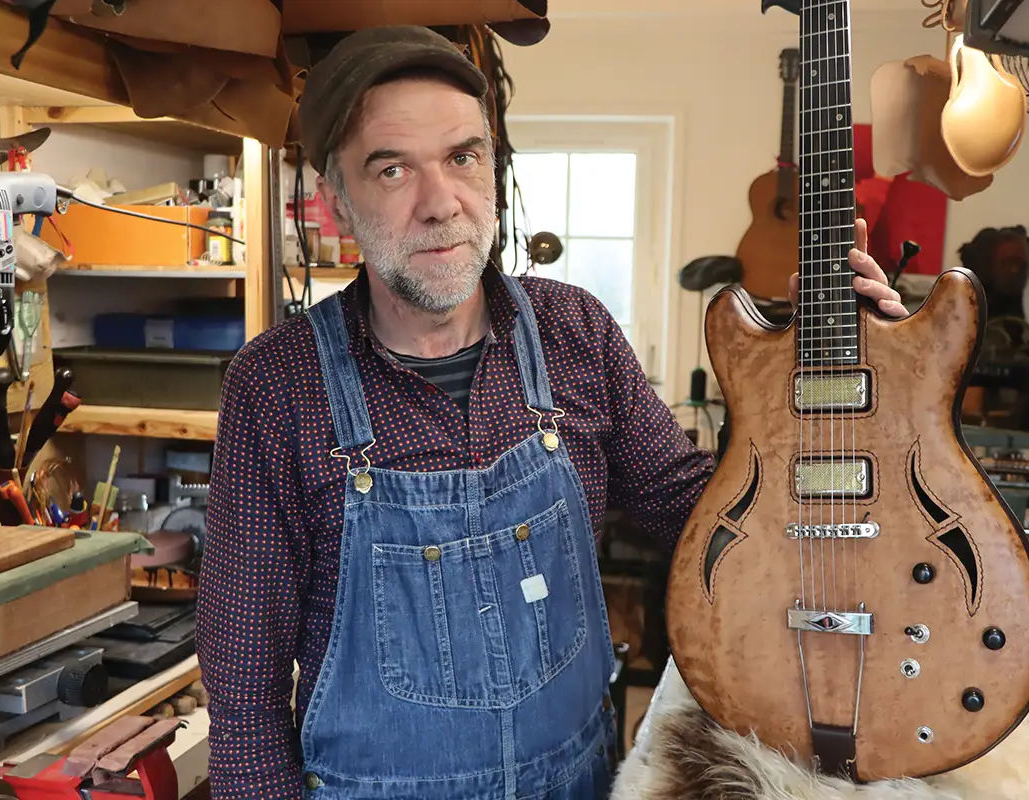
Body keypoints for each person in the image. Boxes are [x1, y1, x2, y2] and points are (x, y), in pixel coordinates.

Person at [196, 25, 910, 800]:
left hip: (576, 782)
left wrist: (853, 376)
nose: (441, 204)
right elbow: (243, 702)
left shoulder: (577, 331)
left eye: (463, 157)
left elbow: (713, 524)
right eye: (393, 168)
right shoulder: (276, 387)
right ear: (335, 198)